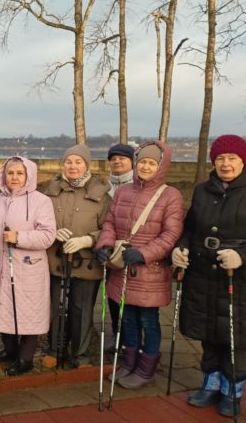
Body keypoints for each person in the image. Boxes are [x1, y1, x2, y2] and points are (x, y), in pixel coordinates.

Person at [172, 135, 246, 417]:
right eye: (220, 158)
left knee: (236, 339)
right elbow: (190, 229)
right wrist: (181, 249)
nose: (226, 163)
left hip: (241, 279)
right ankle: (210, 384)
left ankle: (232, 391)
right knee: (208, 334)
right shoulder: (202, 191)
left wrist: (243, 256)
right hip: (203, 276)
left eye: (232, 158)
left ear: (243, 160)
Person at [95, 141, 184, 388]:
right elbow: (111, 222)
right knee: (127, 319)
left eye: (151, 163)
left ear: (161, 166)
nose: (145, 166)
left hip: (149, 270)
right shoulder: (124, 192)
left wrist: (144, 253)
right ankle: (129, 362)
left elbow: (171, 234)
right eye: (142, 161)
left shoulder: (170, 195)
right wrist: (104, 245)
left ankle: (146, 369)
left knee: (147, 319)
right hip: (122, 266)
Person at [0, 156, 56, 375]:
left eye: (19, 173)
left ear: (29, 175)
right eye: (10, 172)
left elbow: (48, 235)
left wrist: (19, 237)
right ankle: (10, 349)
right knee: (1, 304)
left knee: (29, 311)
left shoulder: (41, 201)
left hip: (28, 267)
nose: (14, 177)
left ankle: (26, 358)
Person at [42, 144, 111, 368]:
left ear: (87, 165)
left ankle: (80, 354)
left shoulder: (102, 195)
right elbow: (40, 220)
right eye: (69, 161)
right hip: (56, 258)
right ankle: (55, 348)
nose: (73, 166)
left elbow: (109, 228)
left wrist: (89, 240)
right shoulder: (51, 191)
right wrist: (52, 233)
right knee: (55, 305)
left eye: (78, 162)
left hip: (86, 262)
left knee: (81, 309)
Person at [104, 143, 135, 353]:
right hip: (108, 247)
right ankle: (117, 333)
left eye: (122, 158)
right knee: (112, 294)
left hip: (131, 248)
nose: (117, 161)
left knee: (131, 297)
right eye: (113, 158)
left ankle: (130, 338)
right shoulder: (106, 187)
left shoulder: (138, 185)